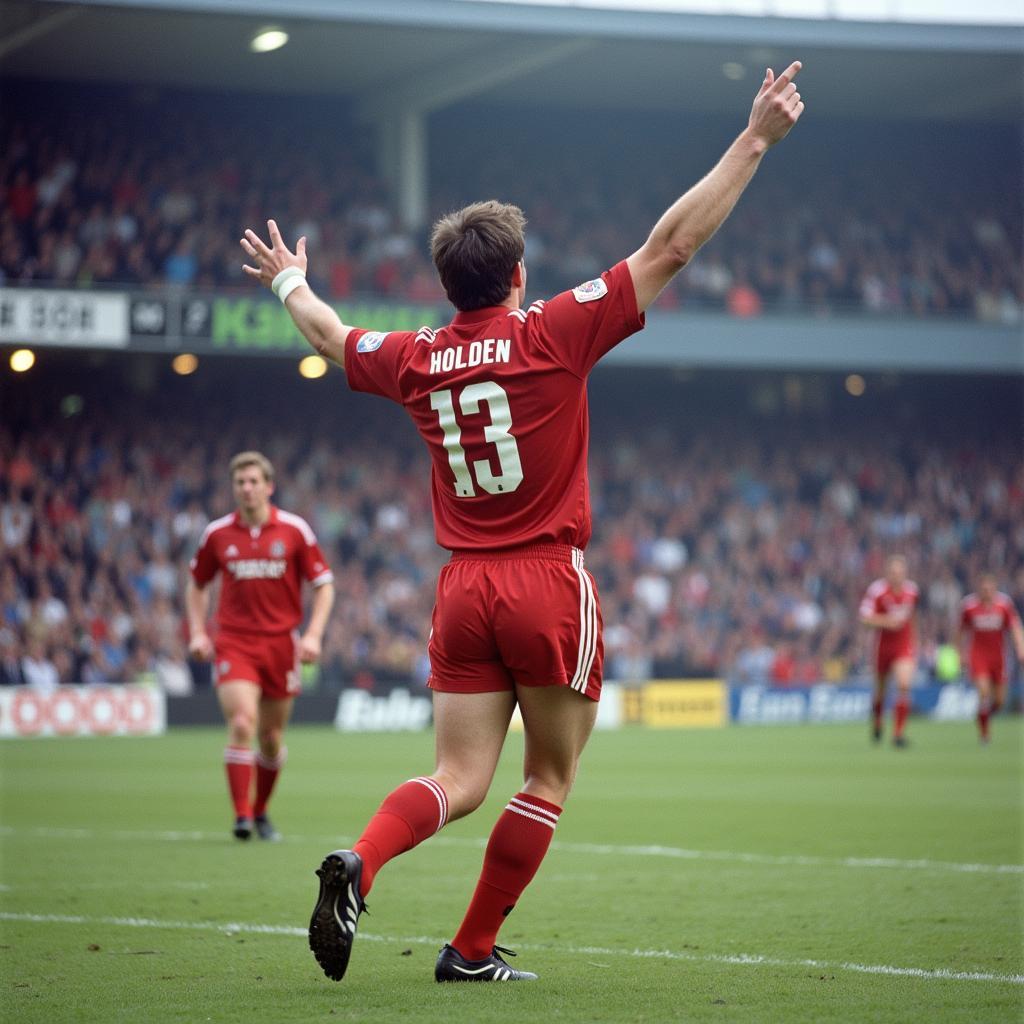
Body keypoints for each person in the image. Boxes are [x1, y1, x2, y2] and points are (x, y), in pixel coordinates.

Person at [240, 61, 805, 983]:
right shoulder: (552, 332)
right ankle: (467, 951)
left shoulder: (417, 358)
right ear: (516, 275)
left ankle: (363, 862)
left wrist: (288, 280)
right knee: (547, 778)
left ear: (448, 281)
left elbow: (331, 336)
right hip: (545, 578)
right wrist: (753, 140)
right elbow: (670, 247)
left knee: (456, 780)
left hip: (461, 587)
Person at [185, 451, 335, 840]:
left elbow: (324, 585)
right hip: (235, 642)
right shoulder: (217, 534)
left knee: (270, 739)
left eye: (254, 482)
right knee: (241, 723)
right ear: (233, 488)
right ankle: (241, 817)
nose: (247, 488)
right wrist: (199, 631)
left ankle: (261, 810)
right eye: (240, 482)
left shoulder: (295, 530)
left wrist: (314, 634)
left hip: (281, 645)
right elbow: (197, 584)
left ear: (269, 486)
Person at [859, 554, 919, 748]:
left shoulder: (912, 591)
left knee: (903, 685)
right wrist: (887, 621)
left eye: (900, 572)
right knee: (881, 690)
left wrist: (916, 642)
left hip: (903, 646)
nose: (896, 576)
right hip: (882, 646)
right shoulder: (877, 591)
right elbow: (864, 617)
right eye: (893, 572)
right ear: (887, 573)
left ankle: (898, 734)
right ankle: (877, 722)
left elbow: (913, 618)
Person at [959, 573, 1024, 743]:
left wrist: (1020, 647)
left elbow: (1015, 627)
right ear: (979, 589)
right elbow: (960, 631)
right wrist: (960, 653)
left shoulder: (1004, 605)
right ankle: (984, 734)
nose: (987, 591)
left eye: (990, 588)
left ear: (995, 588)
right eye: (983, 588)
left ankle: (982, 715)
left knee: (1000, 701)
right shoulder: (969, 606)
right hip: (978, 656)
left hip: (999, 657)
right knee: (984, 691)